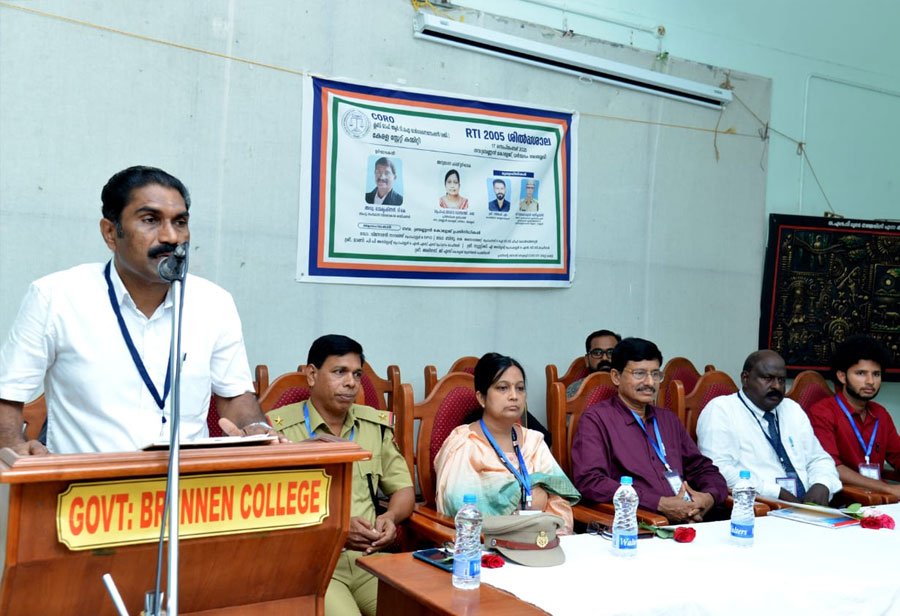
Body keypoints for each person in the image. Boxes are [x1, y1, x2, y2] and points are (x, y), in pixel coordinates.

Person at [0, 166, 274, 455]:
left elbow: (234, 396)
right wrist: (13, 447)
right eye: (150, 220)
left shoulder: (214, 303)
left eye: (180, 222)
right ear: (110, 232)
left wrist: (257, 428)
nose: (171, 237)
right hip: (87, 480)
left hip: (188, 478)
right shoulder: (56, 297)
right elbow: (7, 393)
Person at [265, 335, 413, 616]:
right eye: (339, 372)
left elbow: (403, 489)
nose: (351, 383)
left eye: (357, 374)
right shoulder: (279, 431)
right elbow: (269, 509)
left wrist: (390, 517)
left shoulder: (374, 425)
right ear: (312, 374)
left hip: (369, 559)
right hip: (313, 565)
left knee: (420, 609)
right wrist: (339, 531)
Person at [571, 338, 727, 522]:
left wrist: (708, 497)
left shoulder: (668, 419)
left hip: (691, 517)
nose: (650, 382)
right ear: (616, 376)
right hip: (640, 523)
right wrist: (659, 504)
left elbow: (702, 467)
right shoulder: (596, 420)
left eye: (655, 374)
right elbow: (590, 481)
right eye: (640, 374)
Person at [434, 353, 579, 533]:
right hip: (485, 542)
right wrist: (528, 496)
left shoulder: (533, 441)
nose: (514, 396)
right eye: (503, 388)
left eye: (520, 388)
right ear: (481, 398)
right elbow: (458, 506)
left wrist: (552, 535)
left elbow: (559, 501)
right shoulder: (464, 444)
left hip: (541, 539)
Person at [697, 350, 841, 506]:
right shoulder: (721, 409)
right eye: (767, 378)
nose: (776, 386)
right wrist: (775, 492)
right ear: (745, 378)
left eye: (781, 380)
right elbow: (718, 470)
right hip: (760, 509)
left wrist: (822, 483)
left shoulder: (792, 409)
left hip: (809, 508)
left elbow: (818, 458)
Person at [808, 335, 900, 499]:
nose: (870, 381)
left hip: (880, 500)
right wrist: (888, 489)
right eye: (861, 373)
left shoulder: (880, 414)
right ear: (842, 376)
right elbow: (831, 467)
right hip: (842, 501)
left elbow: (897, 455)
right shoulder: (823, 412)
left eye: (876, 374)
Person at [566, 329, 621, 397]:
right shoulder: (575, 390)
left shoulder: (629, 386)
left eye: (611, 353)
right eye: (597, 353)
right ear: (587, 360)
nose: (604, 358)